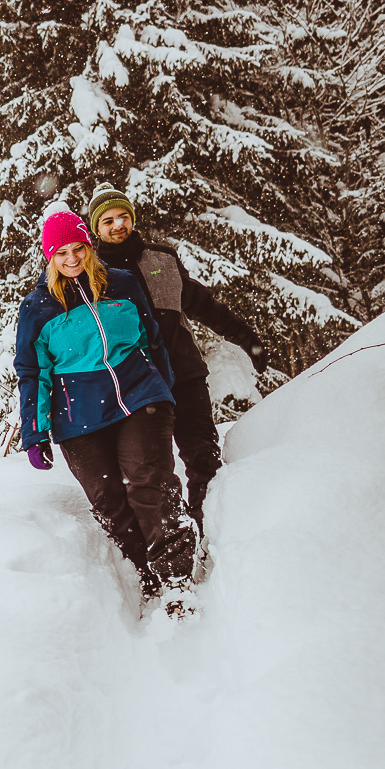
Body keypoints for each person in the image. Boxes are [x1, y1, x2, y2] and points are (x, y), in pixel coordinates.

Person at [15, 204, 196, 595]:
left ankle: (178, 581)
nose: (72, 258)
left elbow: (151, 338)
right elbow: (32, 373)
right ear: (49, 257)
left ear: (89, 245)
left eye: (78, 248)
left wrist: (163, 389)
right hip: (77, 416)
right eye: (61, 253)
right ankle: (144, 577)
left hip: (138, 396)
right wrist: (35, 432)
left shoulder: (123, 283)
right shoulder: (37, 307)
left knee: (150, 483)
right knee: (109, 500)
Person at [84, 186, 268, 529]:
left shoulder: (163, 259)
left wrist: (246, 338)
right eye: (107, 221)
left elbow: (203, 305)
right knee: (151, 472)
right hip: (137, 388)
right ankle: (172, 540)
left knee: (203, 458)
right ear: (97, 229)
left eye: (123, 216)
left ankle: (211, 532)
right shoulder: (91, 273)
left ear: (132, 218)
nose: (117, 225)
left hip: (184, 376)